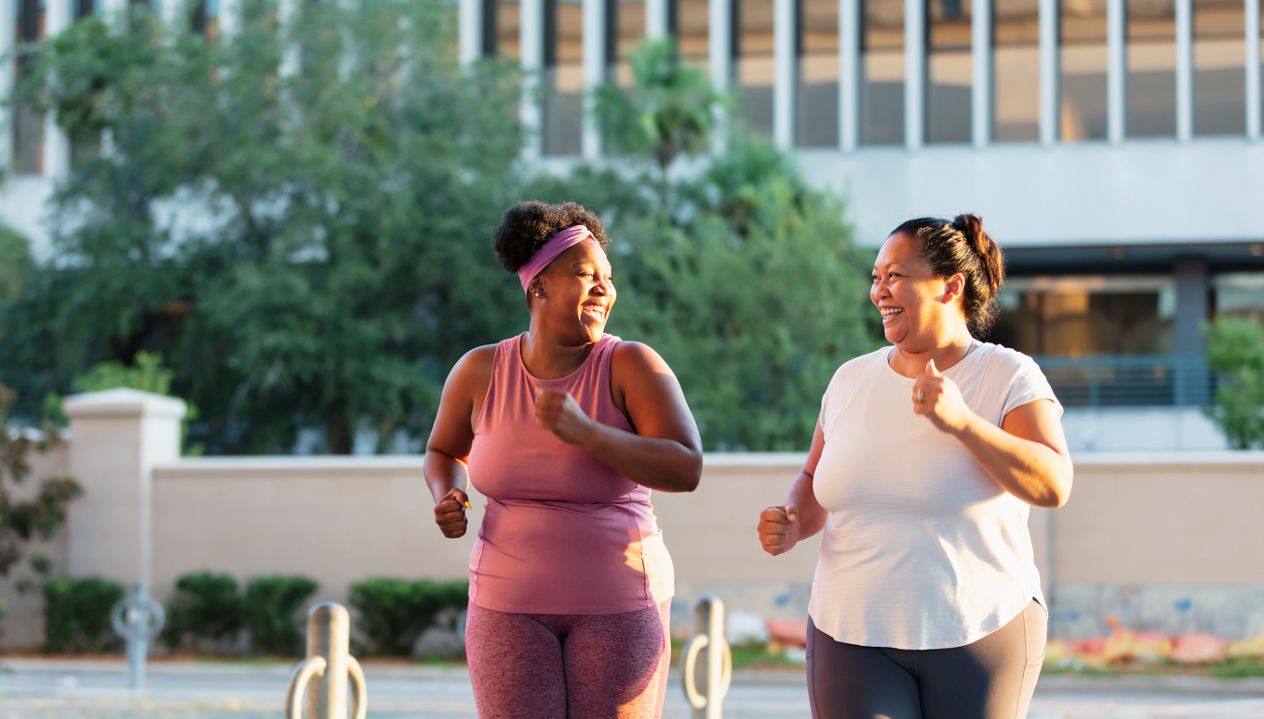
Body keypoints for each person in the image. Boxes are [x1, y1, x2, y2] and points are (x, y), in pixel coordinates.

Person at [757, 214, 1074, 718]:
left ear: (951, 286)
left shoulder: (1007, 374)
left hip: (982, 631)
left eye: (896, 275)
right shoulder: (849, 379)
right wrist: (793, 521)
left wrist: (962, 423)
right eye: (876, 277)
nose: (879, 290)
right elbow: (814, 480)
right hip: (849, 633)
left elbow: (1054, 484)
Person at [425, 200, 703, 719]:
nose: (603, 288)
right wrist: (448, 493)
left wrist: (589, 434)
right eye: (585, 274)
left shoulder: (631, 365)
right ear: (539, 286)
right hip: (506, 608)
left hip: (618, 606)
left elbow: (686, 466)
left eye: (608, 278)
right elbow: (443, 450)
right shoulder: (480, 371)